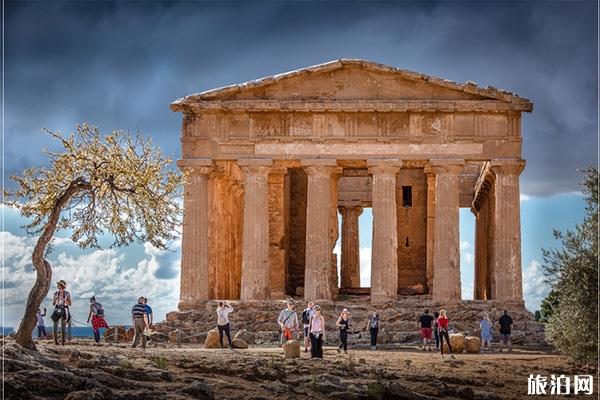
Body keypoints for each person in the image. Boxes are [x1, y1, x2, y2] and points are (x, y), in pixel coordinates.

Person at [51, 280, 71, 345]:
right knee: (55, 325)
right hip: (57, 309)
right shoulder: (56, 293)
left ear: (62, 286)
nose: (58, 286)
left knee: (63, 327)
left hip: (64, 309)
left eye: (59, 284)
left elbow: (70, 304)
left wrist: (65, 300)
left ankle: (63, 342)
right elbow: (53, 303)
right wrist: (55, 299)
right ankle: (56, 341)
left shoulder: (67, 294)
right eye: (58, 284)